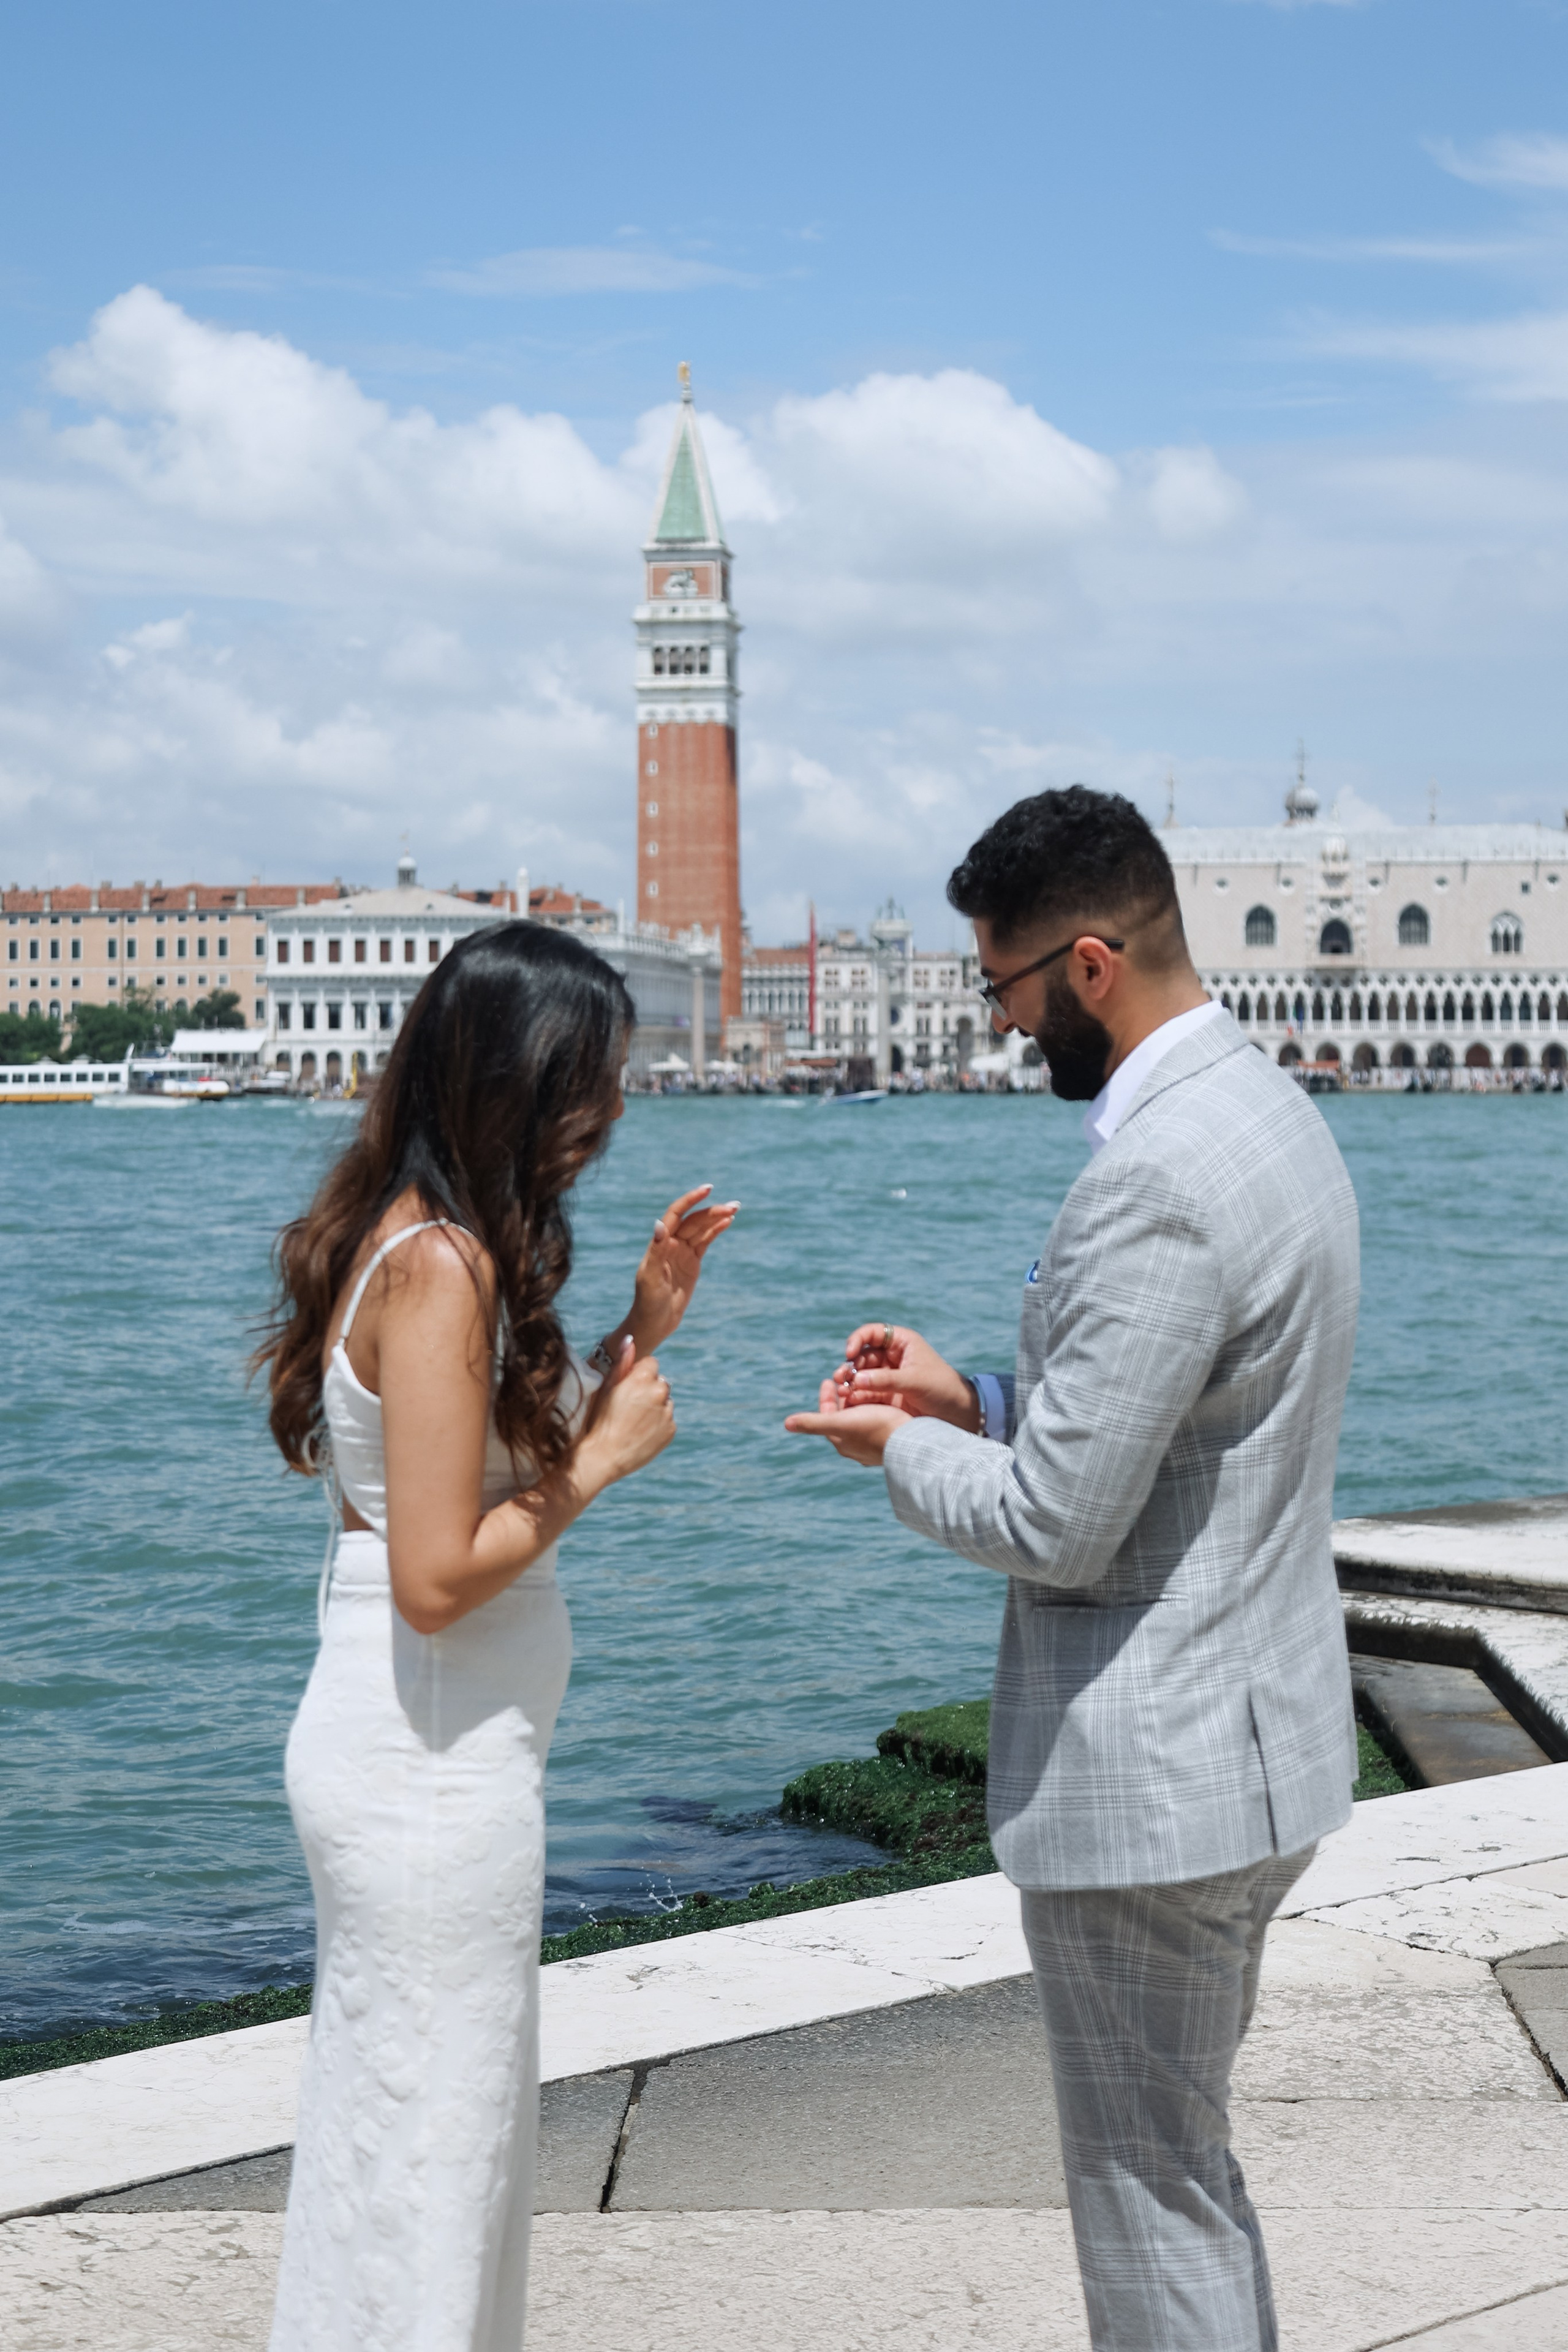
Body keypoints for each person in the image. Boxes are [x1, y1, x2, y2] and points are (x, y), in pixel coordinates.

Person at [786, 786, 1359, 2352]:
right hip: (1252, 1747)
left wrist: (894, 1454)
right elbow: (1189, 1426)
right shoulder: (1265, 1112)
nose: (1001, 1021)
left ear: (1089, 966)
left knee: (1146, 2195)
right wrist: (967, 1398)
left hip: (1154, 1786)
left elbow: (1054, 1523)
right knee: (1182, 2170)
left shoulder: (1150, 1177)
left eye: (1005, 987)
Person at [256, 921, 737, 2352]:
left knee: (408, 2152)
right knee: (432, 2163)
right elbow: (435, 1573)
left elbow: (456, 1475)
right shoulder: (443, 1267)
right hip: (425, 1765)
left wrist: (638, 1328)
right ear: (524, 1082)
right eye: (598, 1078)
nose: (616, 1109)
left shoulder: (409, 1238)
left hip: (430, 1747)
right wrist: (597, 1468)